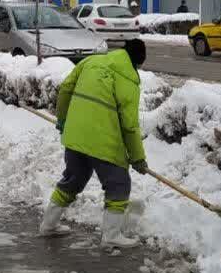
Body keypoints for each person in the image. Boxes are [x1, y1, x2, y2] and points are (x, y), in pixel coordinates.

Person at [40, 39, 149, 247]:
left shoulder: (91, 61)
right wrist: (138, 158)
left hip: (75, 134)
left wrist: (63, 120)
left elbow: (65, 89)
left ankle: (48, 225)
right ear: (137, 63)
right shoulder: (128, 81)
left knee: (74, 177)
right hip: (103, 140)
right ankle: (111, 236)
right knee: (118, 183)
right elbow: (129, 125)